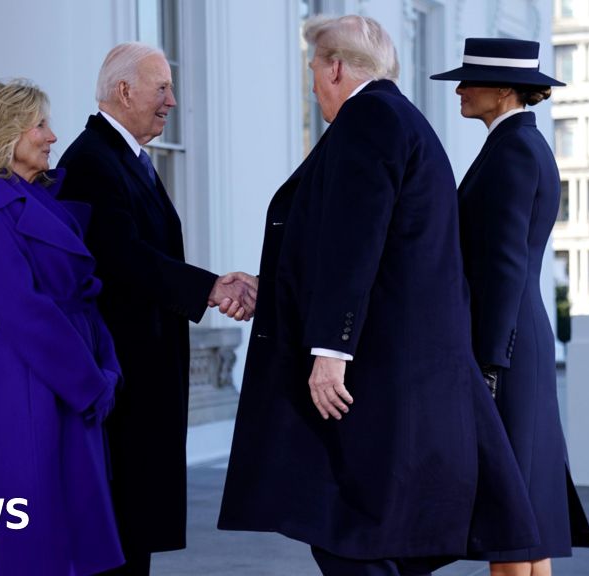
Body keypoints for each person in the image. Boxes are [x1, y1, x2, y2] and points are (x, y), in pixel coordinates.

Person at [218, 16, 540, 576]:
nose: (313, 84)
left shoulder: (368, 120)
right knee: (377, 536)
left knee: (349, 533)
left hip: (372, 375)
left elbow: (354, 242)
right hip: (405, 375)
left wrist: (330, 352)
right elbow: (382, 254)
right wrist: (279, 289)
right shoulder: (399, 120)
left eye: (314, 70)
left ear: (336, 67)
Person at [57, 43, 256, 575]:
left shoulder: (125, 157)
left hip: (145, 367)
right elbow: (123, 255)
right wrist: (213, 288)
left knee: (136, 527)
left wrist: (211, 284)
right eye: (162, 87)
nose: (172, 100)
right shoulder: (91, 160)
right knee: (121, 525)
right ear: (124, 91)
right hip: (123, 372)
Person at [430, 38, 589, 576]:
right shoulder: (516, 146)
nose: (459, 89)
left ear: (503, 89)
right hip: (516, 339)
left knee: (509, 513)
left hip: (507, 346)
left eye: (469, 79)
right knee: (524, 515)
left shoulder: (513, 151)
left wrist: (487, 363)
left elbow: (502, 264)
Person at [0, 79, 123, 575]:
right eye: (40, 124)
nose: (51, 136)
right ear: (6, 134)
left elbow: (82, 294)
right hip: (30, 373)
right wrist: (89, 380)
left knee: (72, 518)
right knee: (38, 519)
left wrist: (103, 365)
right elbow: (23, 309)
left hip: (65, 369)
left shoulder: (30, 197)